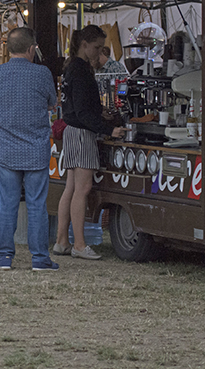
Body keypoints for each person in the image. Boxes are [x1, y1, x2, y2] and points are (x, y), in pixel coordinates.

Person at [0, 27, 58, 271]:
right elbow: (53, 102)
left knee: (7, 203)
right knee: (36, 204)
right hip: (36, 149)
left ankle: (4, 257)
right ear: (32, 49)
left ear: (8, 48)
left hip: (7, 148)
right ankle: (39, 258)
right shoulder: (42, 73)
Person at [55, 25, 126, 260]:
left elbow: (78, 105)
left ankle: (62, 241)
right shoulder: (81, 70)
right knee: (82, 189)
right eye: (96, 47)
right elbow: (84, 112)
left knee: (71, 188)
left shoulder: (71, 68)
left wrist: (99, 112)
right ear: (84, 45)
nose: (99, 52)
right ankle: (79, 244)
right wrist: (108, 128)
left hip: (71, 130)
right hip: (82, 132)